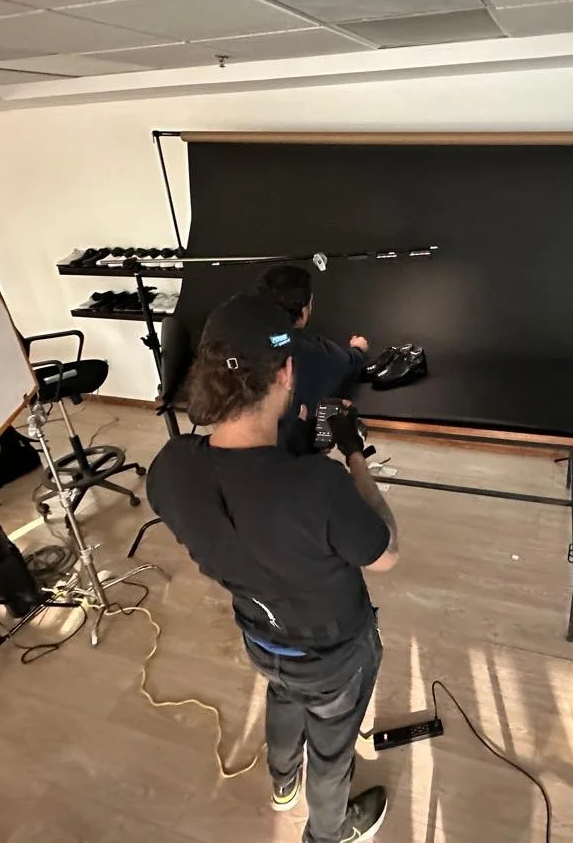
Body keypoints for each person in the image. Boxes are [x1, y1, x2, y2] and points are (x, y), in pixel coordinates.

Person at [145, 293, 399, 843]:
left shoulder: (168, 470)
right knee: (332, 749)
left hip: (263, 639)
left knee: (283, 694)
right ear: (286, 372)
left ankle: (283, 782)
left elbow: (253, 498)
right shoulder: (319, 488)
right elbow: (385, 554)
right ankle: (327, 834)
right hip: (334, 654)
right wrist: (354, 455)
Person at [256, 264, 370, 453]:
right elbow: (350, 362)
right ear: (306, 307)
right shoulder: (317, 351)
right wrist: (359, 348)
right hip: (292, 451)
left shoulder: (247, 340)